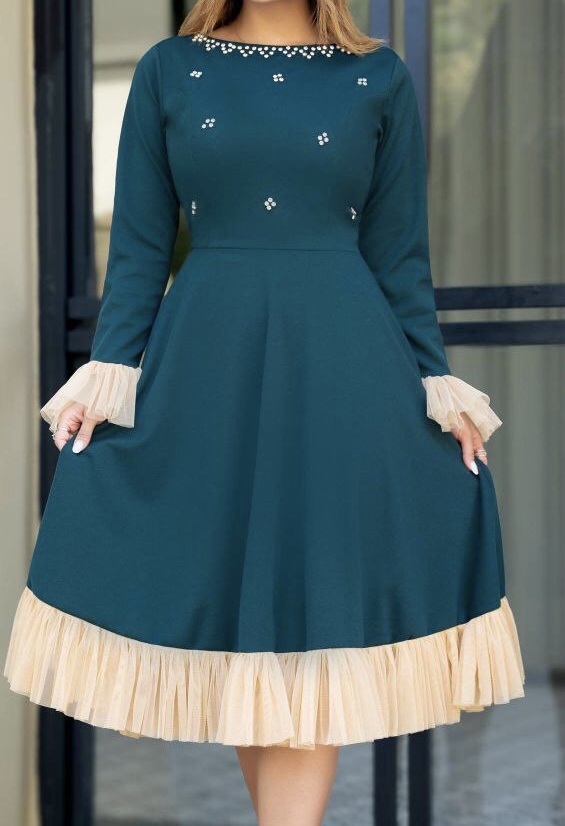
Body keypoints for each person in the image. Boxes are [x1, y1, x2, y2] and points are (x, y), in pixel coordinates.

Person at [3, 1, 526, 823]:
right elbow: (138, 248)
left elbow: (399, 257)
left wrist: (436, 383)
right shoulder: (169, 69)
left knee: (308, 614)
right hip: (208, 364)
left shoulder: (377, 76)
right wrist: (109, 374)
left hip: (345, 368)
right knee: (250, 631)